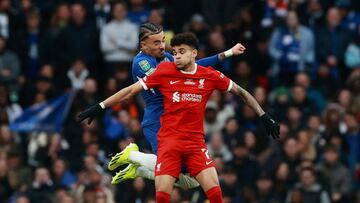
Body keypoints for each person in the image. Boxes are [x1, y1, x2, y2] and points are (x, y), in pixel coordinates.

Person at [78, 32, 280, 202]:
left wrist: (264, 116)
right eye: (174, 52)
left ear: (194, 54)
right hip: (169, 143)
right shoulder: (165, 71)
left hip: (195, 144)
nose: (176, 56)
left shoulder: (209, 76)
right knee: (163, 197)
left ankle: (135, 160)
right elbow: (131, 90)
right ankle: (133, 157)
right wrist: (100, 106)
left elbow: (242, 92)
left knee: (216, 196)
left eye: (181, 52)